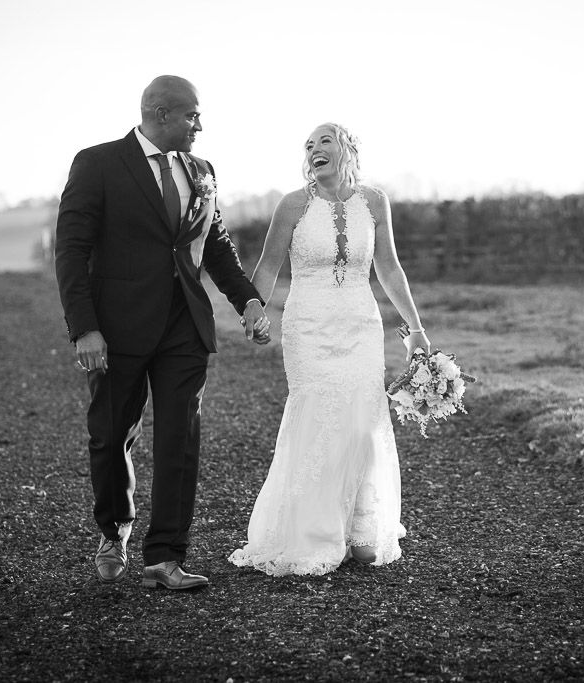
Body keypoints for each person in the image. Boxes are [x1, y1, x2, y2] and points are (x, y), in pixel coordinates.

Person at [55, 75, 270, 590]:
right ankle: (114, 528)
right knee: (111, 438)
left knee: (181, 439)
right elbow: (72, 251)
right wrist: (85, 328)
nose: (201, 125)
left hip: (184, 327)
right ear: (160, 113)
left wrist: (249, 301)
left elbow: (214, 245)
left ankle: (164, 557)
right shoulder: (98, 163)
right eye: (193, 115)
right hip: (116, 328)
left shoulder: (202, 170)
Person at [228, 122, 430, 576]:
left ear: (347, 150)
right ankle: (316, 535)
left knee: (362, 422)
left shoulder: (375, 202)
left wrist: (415, 327)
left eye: (324, 140)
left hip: (361, 325)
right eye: (308, 144)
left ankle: (361, 529)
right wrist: (254, 312)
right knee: (320, 418)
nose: (314, 148)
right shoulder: (293, 205)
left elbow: (390, 269)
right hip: (309, 327)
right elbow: (267, 268)